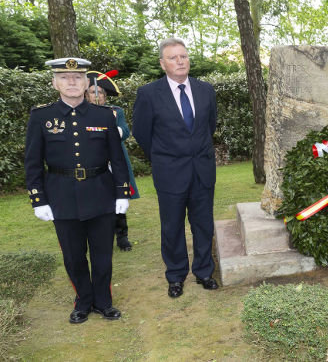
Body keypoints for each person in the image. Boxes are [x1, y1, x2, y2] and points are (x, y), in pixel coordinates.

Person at [24, 57, 130, 324]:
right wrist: (38, 199)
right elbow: (33, 162)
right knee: (73, 256)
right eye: (64, 77)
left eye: (77, 78)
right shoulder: (41, 116)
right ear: (54, 82)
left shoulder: (105, 115)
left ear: (86, 82)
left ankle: (103, 302)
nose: (71, 82)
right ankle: (83, 301)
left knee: (103, 255)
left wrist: (122, 192)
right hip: (61, 196)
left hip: (101, 193)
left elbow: (117, 159)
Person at [133, 38, 219, 298]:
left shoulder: (206, 90)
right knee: (172, 227)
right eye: (173, 58)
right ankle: (176, 275)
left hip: (202, 171)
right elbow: (142, 134)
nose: (180, 61)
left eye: (183, 56)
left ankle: (204, 272)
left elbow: (209, 127)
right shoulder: (148, 94)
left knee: (203, 224)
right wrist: (165, 156)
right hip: (169, 173)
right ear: (162, 63)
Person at [86, 71, 138, 251]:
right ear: (86, 95)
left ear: (106, 96)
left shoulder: (116, 112)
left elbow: (125, 133)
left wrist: (113, 124)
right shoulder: (81, 113)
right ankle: (99, 238)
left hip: (114, 162)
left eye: (100, 92)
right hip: (91, 163)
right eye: (93, 92)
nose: (97, 96)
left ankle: (122, 237)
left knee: (119, 198)